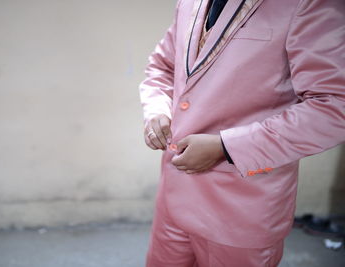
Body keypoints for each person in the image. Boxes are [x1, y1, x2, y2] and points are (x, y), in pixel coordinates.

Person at [138, 0, 345, 266]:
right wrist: (157, 109)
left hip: (240, 210)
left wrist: (227, 147)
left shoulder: (307, 4)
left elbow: (335, 106)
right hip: (172, 196)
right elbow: (163, 66)